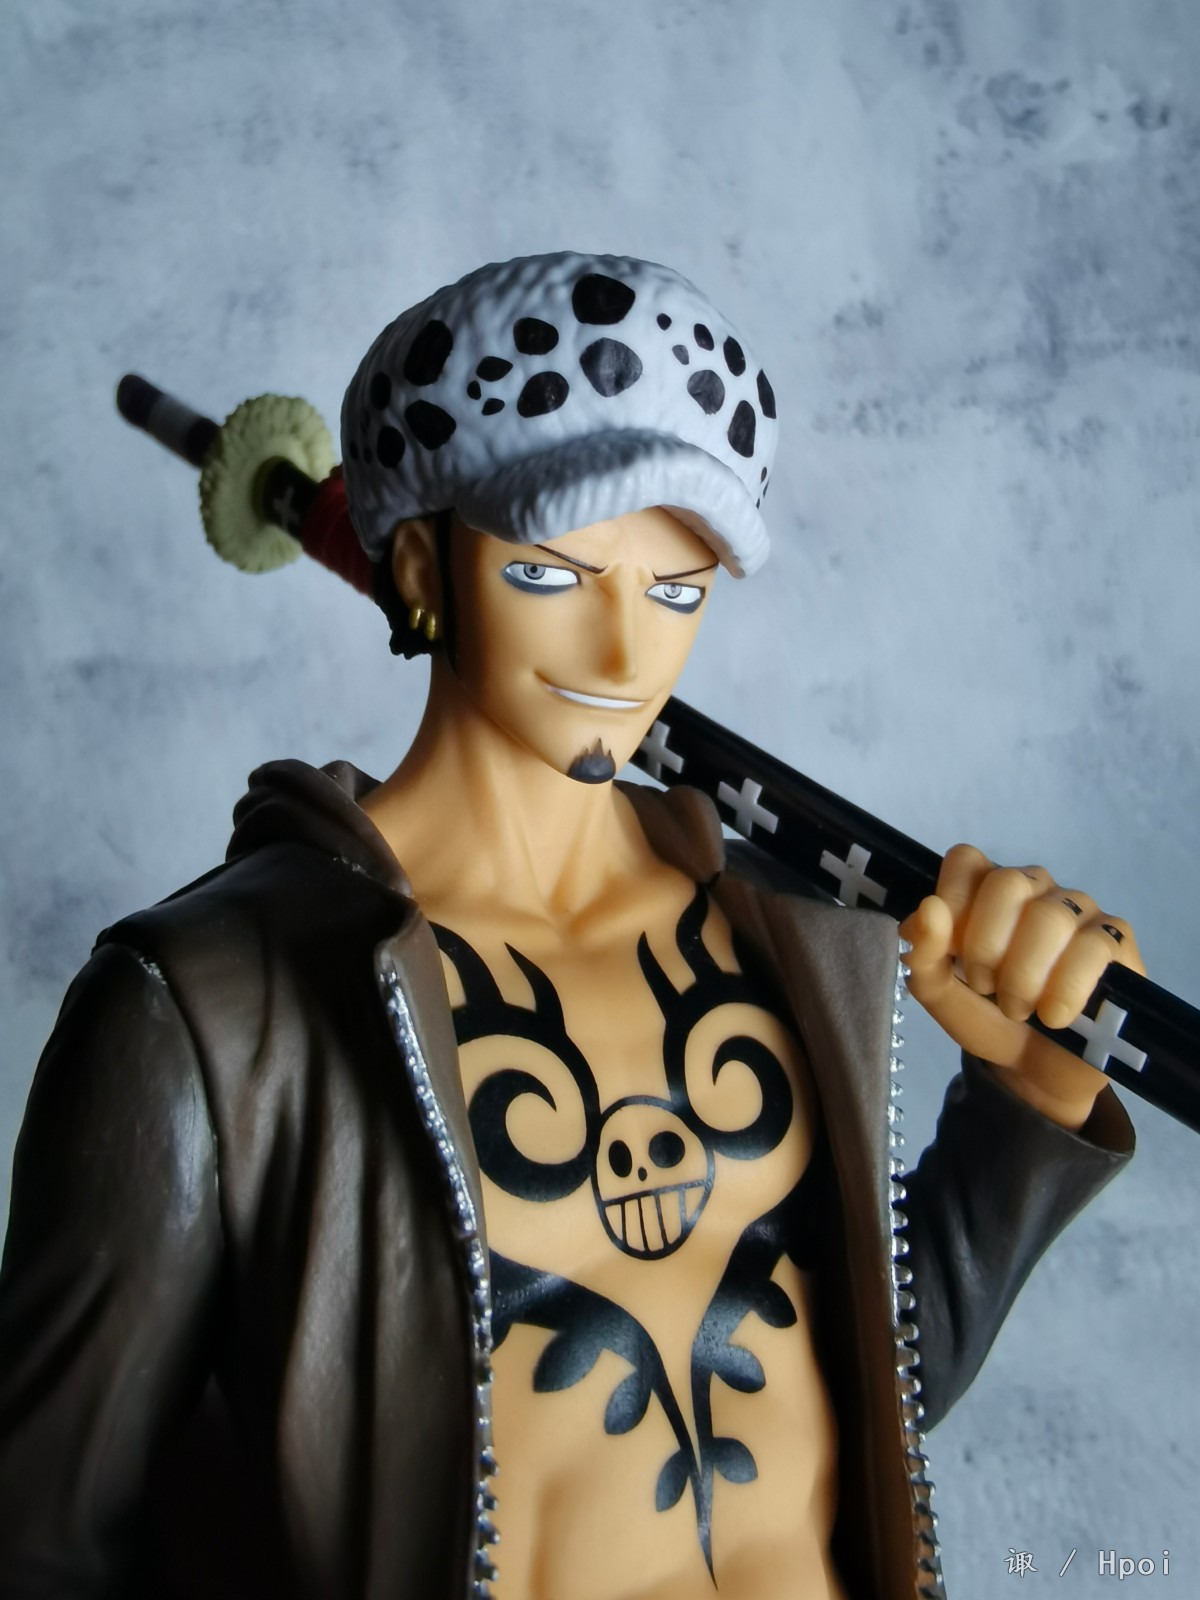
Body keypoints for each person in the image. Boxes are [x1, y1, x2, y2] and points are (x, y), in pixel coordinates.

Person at [0, 253, 1141, 1600]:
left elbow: (855, 1388)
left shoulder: (783, 933)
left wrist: (1030, 1097)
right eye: (553, 573)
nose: (624, 655)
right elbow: (45, 1545)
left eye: (676, 590)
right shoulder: (207, 1012)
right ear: (419, 562)